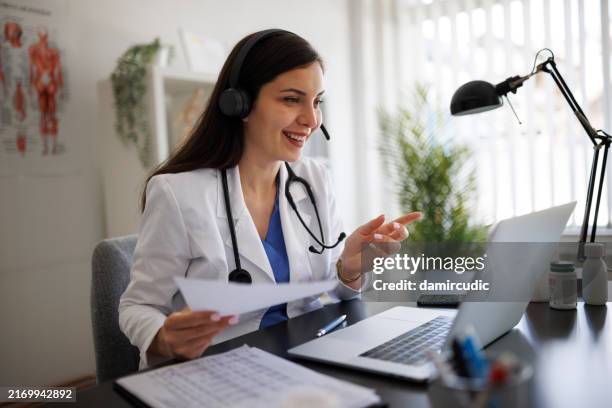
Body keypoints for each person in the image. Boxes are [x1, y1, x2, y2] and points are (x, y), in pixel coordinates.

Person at [119, 29, 421, 369]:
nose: (311, 119)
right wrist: (162, 336)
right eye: (292, 99)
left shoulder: (315, 179)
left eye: (317, 101)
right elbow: (137, 307)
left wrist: (349, 267)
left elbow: (336, 291)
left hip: (309, 360)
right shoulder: (178, 193)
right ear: (241, 105)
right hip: (219, 372)